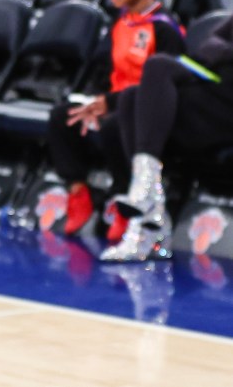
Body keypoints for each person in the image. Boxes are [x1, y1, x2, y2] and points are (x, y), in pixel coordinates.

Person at [49, 0, 184, 239]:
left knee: (113, 126)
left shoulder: (164, 28)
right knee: (62, 116)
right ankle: (78, 192)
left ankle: (127, 203)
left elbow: (167, 85)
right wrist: (96, 102)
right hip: (112, 103)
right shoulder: (120, 23)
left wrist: (109, 102)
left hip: (144, 115)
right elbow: (109, 74)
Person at [98, 14, 233, 262]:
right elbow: (209, 45)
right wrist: (221, 55)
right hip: (213, 89)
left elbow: (216, 49)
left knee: (157, 72)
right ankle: (148, 206)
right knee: (131, 96)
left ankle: (149, 205)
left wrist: (221, 54)